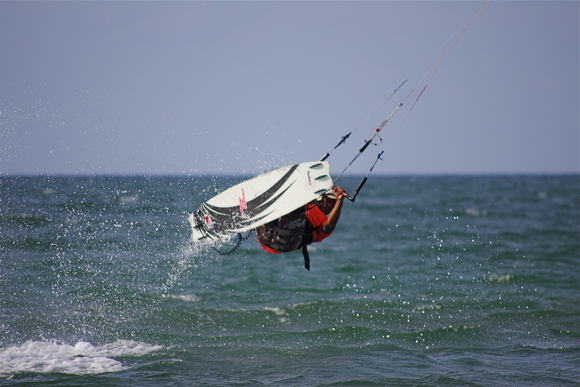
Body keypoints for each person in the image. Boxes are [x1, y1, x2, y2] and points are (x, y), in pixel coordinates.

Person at [256, 186, 347, 270]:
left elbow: (329, 226)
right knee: (290, 198)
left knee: (298, 206)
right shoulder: (309, 203)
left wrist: (339, 201)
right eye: (329, 200)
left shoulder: (323, 222)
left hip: (285, 243)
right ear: (322, 198)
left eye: (334, 203)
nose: (330, 205)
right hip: (265, 236)